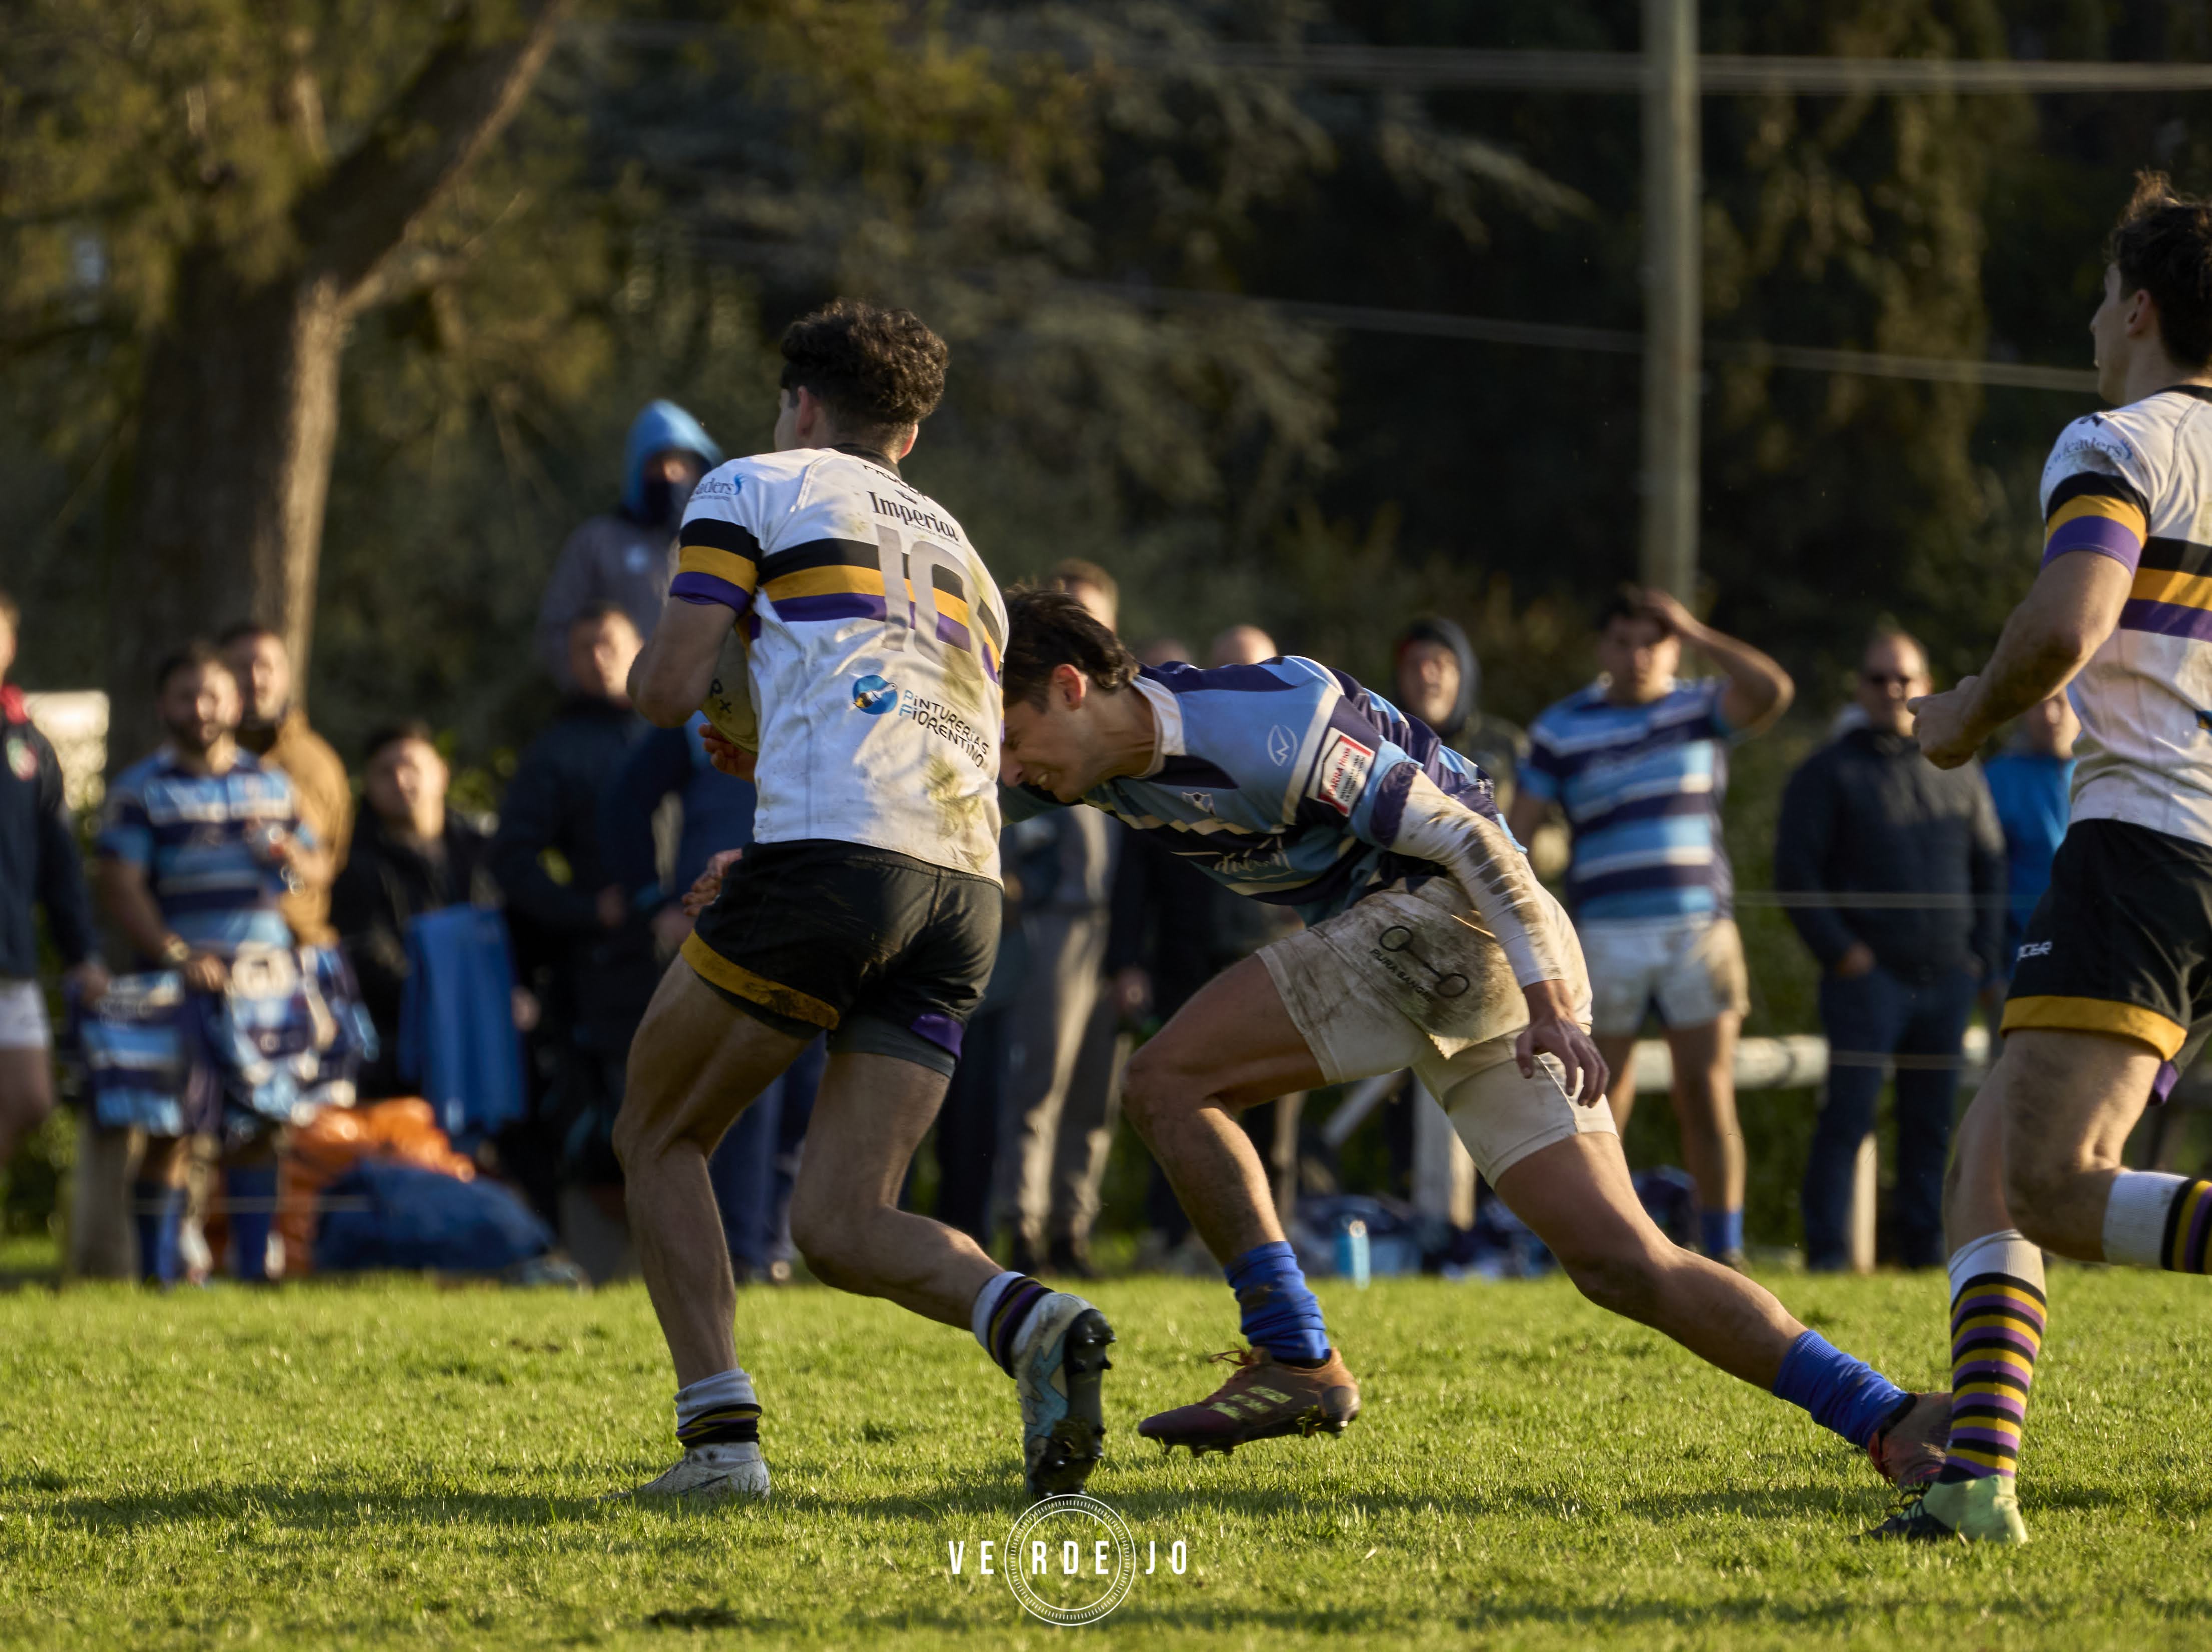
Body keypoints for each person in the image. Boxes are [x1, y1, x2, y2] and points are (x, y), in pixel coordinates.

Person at [995, 589, 1945, 1483]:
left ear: (1073, 688)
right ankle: (1888, 1412)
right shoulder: (1093, 766)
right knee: (1621, 1261)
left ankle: (1294, 1354)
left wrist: (1546, 999)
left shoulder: (1264, 722)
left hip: (1456, 920)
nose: (1008, 770)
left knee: (1166, 1081)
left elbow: (1471, 839)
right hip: (1462, 953)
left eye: (1012, 738)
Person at [612, 299, 1113, 1507]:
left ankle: (720, 1441)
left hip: (836, 864)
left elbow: (665, 687)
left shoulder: (753, 485)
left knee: (657, 1131)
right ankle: (1030, 1314)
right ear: (911, 435)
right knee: (840, 1218)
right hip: (960, 890)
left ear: (799, 404)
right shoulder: (970, 560)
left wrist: (686, 694)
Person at [1874, 174, 2212, 1544]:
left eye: (2096, 298)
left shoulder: (2117, 440)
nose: (2086, 323)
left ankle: (1973, 1480)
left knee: (2061, 1179)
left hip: (2148, 842)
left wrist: (1962, 712)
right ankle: (1974, 1479)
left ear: (2136, 309)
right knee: (1993, 1149)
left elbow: (2068, 625)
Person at [1509, 587, 1793, 1268]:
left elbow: (1773, 690)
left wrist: (1695, 629)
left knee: (1707, 1088)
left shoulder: (1699, 706)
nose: (1637, 655)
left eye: (1652, 641)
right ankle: (1608, 1245)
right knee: (1599, 1094)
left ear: (1671, 647)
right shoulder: (1560, 728)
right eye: (1622, 640)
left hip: (1698, 929)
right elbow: (1515, 837)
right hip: (1603, 932)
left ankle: (1724, 1251)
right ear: (1600, 647)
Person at [95, 642, 331, 1282]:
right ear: (161, 705)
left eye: (213, 695)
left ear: (235, 701)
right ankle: (158, 1274)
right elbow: (120, 884)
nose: (201, 709)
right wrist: (175, 952)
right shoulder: (141, 789)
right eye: (185, 696)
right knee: (173, 1126)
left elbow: (315, 866)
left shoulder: (271, 783)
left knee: (260, 1123)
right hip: (180, 983)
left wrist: (285, 852)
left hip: (263, 982)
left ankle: (254, 1270)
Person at [1774, 629, 2005, 1274]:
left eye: (1903, 678)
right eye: (1878, 679)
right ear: (1859, 687)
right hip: (1864, 979)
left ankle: (1924, 1254)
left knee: (1930, 1128)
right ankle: (1825, 1253)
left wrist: (1977, 957)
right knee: (1846, 1118)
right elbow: (1795, 874)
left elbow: (1990, 863)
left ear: (1925, 681)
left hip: (1945, 978)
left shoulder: (1958, 766)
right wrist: (1842, 953)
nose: (1892, 691)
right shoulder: (1826, 772)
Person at [489, 605, 657, 1280]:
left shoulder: (681, 727)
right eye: (584, 646)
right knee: (618, 1120)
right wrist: (588, 911)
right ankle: (614, 1266)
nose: (598, 658)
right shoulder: (557, 750)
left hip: (694, 954)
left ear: (641, 648)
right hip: (602, 976)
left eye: (610, 644)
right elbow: (513, 857)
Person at [998, 559, 1126, 1276]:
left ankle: (1073, 1228)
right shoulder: (1028, 709)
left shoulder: (1135, 720)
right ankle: (1021, 1222)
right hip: (1052, 919)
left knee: (1097, 1090)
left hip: (1115, 927)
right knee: (1037, 1079)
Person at [331, 723, 503, 1099]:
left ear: (442, 772)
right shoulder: (353, 867)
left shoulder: (486, 851)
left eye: (410, 766)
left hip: (500, 1036)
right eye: (384, 772)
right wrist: (448, 997)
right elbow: (368, 952)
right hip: (405, 1049)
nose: (399, 779)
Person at [0, 589, 106, 1172]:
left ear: (10, 644)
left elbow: (58, 860)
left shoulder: (27, 742)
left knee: (30, 1098)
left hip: (9, 953)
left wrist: (81, 950)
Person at [536, 401, 723, 690]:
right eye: (657, 464)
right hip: (620, 717)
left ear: (701, 468)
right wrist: (600, 690)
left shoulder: (722, 545)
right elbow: (556, 630)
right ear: (637, 470)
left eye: (679, 463)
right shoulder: (598, 542)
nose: (669, 475)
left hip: (703, 712)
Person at [220, 621, 351, 946]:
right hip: (209, 949)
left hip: (297, 949)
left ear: (287, 675)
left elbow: (332, 860)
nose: (254, 679)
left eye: (266, 667)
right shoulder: (191, 765)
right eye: (240, 667)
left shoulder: (319, 763)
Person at [1980, 693, 2079, 988]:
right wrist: (1989, 966)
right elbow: (1982, 873)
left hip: (2096, 967)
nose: (2050, 715)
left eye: (2060, 703)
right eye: (2039, 703)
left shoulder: (2105, 777)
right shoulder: (1997, 779)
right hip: (2017, 967)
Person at [1393, 616, 1528, 814]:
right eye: (1414, 665)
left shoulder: (1508, 745)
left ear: (1463, 674)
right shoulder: (1382, 745)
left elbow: (1550, 829)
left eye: (1439, 664)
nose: (1426, 676)